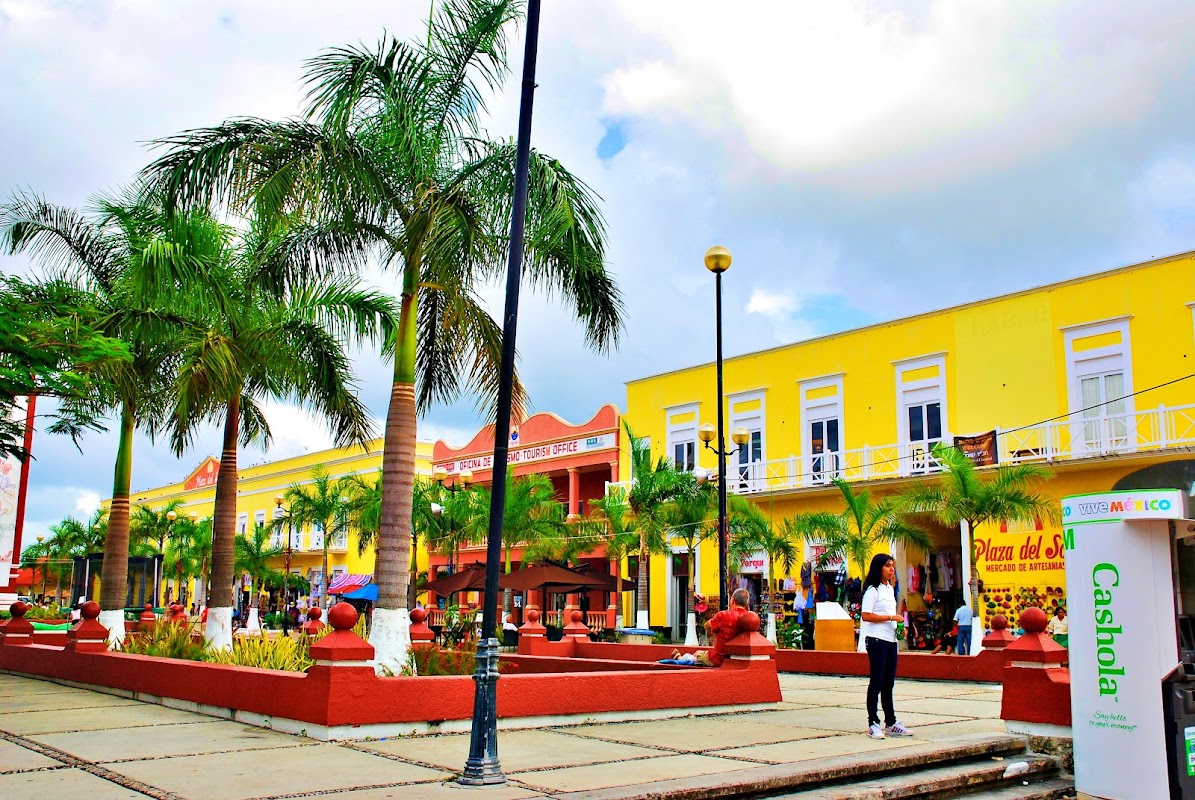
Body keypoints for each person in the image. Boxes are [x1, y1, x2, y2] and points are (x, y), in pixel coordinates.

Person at [860, 553, 911, 739]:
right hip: (876, 640)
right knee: (877, 680)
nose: (891, 569)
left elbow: (891, 614)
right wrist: (890, 618)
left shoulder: (890, 589)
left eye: (893, 566)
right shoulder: (873, 590)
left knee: (889, 682)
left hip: (891, 640)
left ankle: (891, 722)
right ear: (879, 568)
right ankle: (873, 722)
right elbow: (866, 616)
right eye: (887, 566)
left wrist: (899, 627)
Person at [704, 587, 751, 667]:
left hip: (718, 659)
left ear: (732, 600)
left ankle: (679, 657)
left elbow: (706, 626)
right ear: (747, 604)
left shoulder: (723, 616)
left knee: (697, 654)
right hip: (740, 659)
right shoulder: (749, 618)